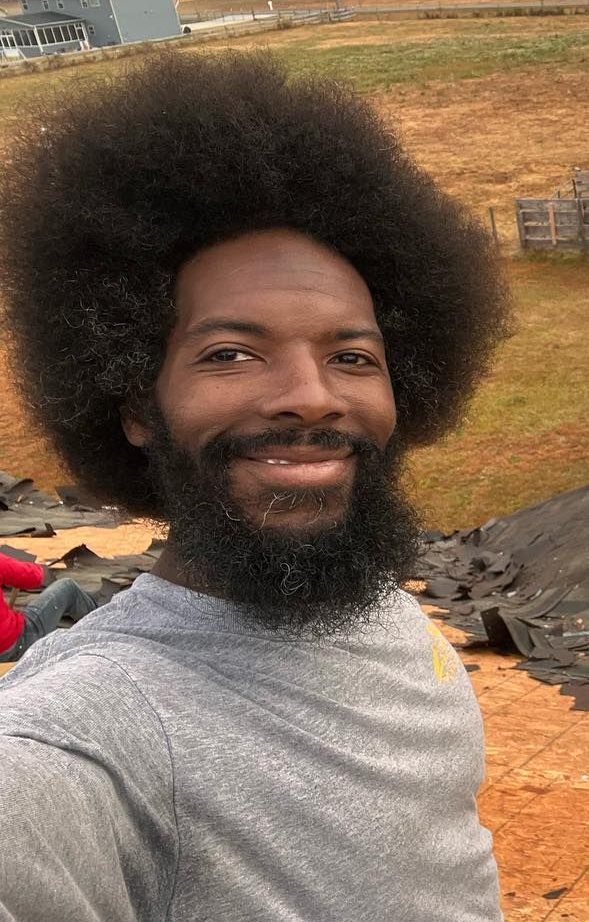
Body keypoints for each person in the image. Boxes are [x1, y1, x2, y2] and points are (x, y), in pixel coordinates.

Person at [0, 52, 513, 920]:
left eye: (352, 356)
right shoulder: (84, 731)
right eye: (231, 353)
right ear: (136, 405)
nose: (312, 396)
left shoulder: (380, 606)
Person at [0, 551, 98, 664]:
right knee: (68, 587)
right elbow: (34, 577)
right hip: (13, 645)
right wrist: (34, 568)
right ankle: (104, 620)